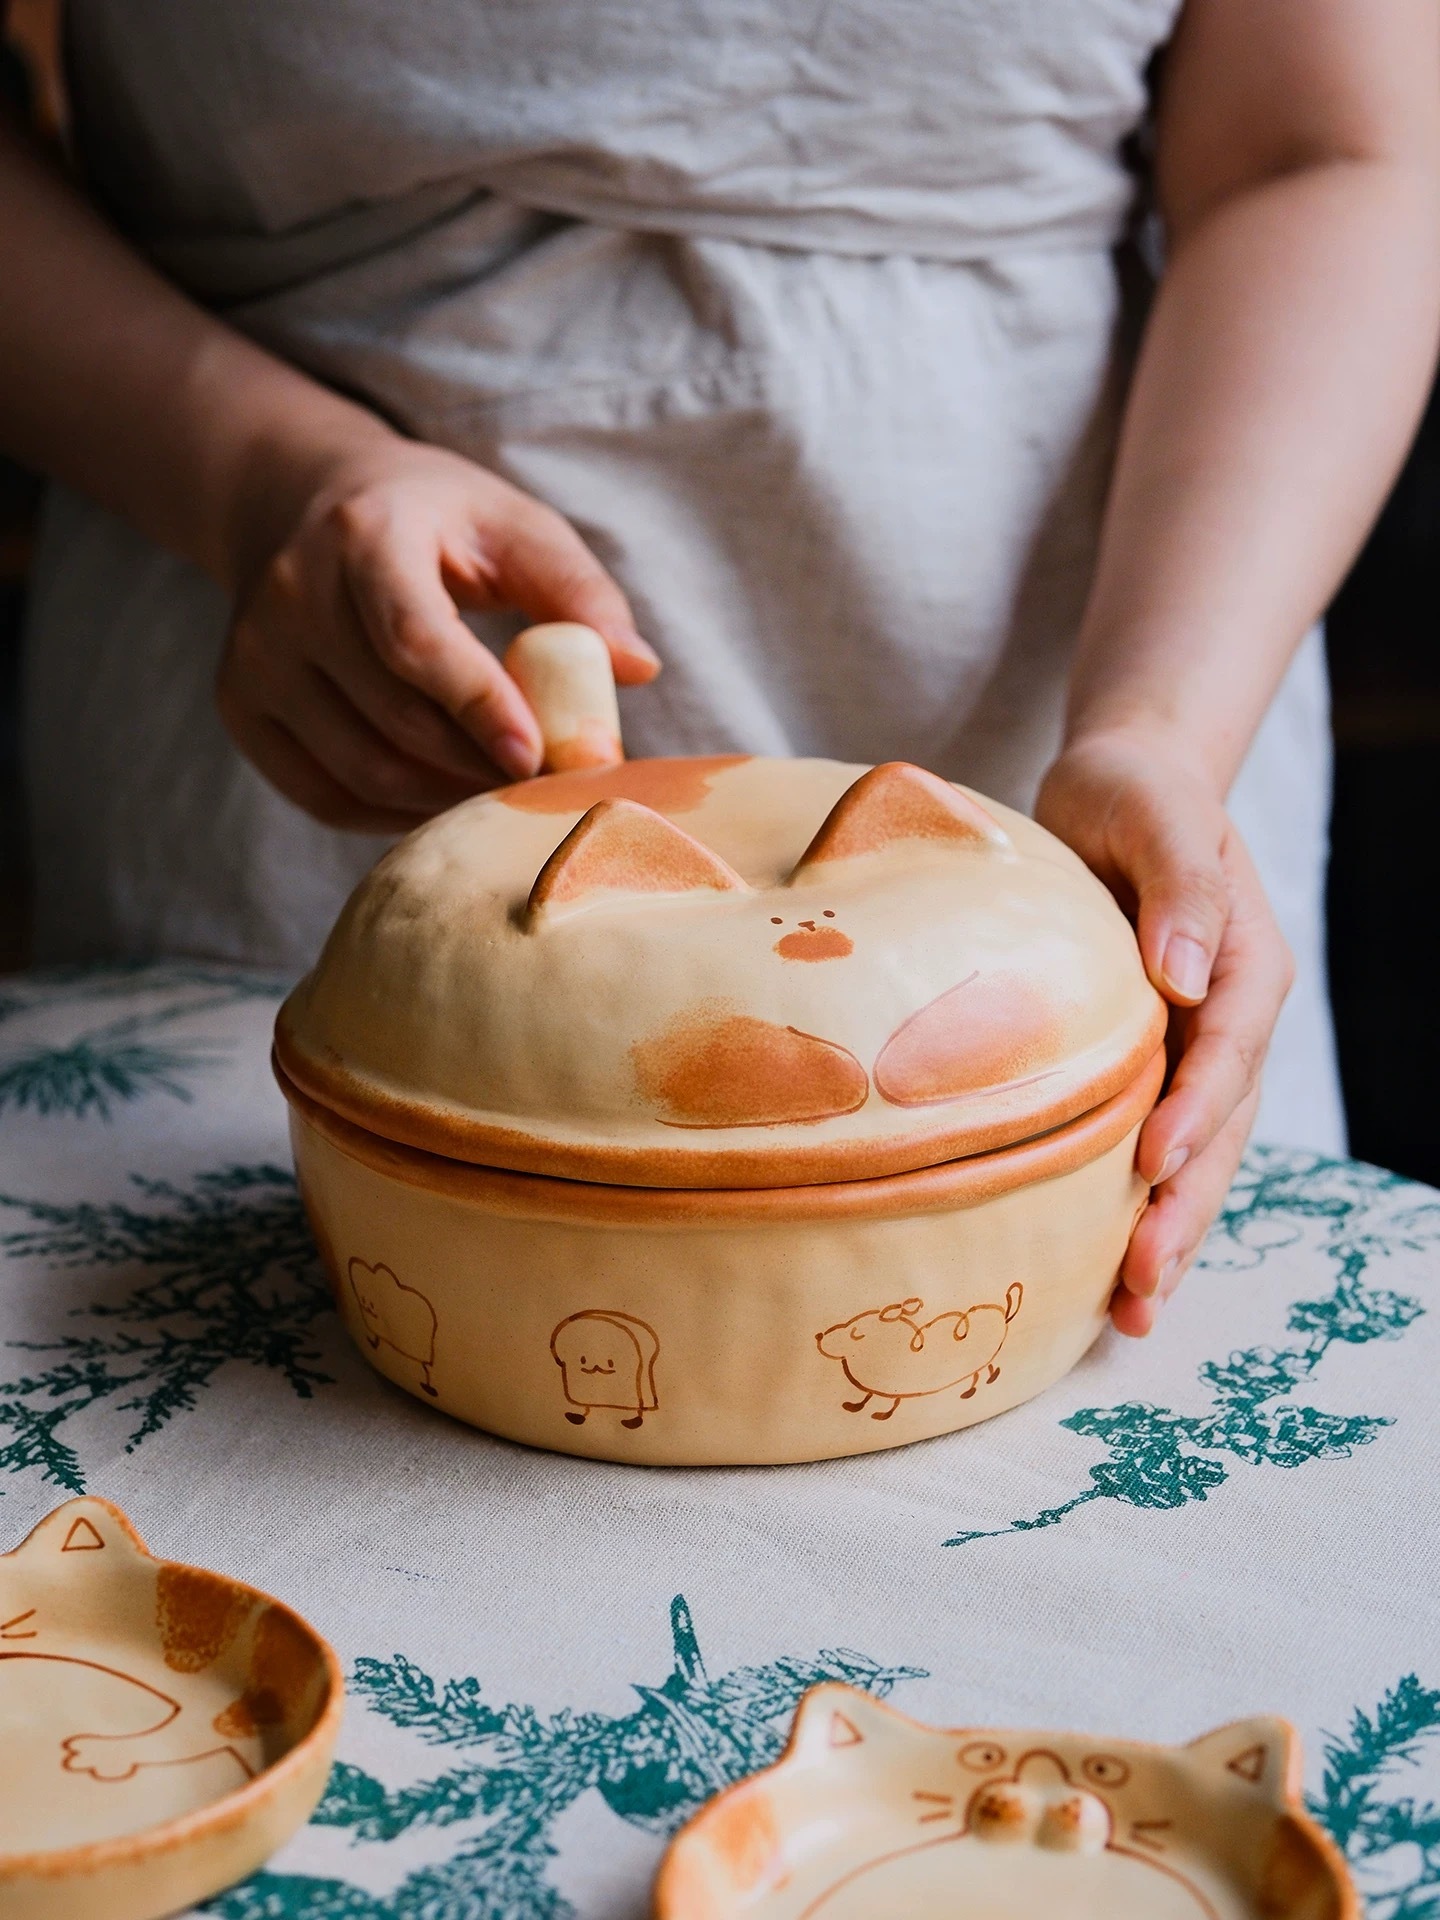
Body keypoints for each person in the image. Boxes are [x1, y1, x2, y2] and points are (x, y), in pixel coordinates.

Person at [1, 1, 1436, 1335]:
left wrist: (1158, 732)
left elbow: (1324, 155)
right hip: (288, 742)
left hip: (1121, 687)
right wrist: (250, 479)